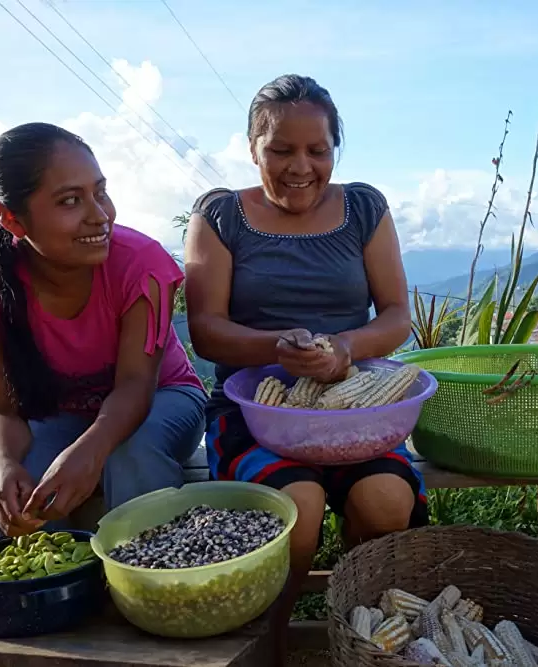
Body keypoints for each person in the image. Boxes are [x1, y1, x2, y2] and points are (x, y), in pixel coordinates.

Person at [183, 74, 426, 663]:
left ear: (334, 149)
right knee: (298, 509)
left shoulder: (364, 209)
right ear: (252, 148)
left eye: (318, 150)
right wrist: (277, 350)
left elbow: (397, 315)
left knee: (388, 502)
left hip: (354, 406)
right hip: (255, 410)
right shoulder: (222, 217)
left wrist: (344, 348)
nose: (301, 166)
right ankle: (270, 634)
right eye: (281, 150)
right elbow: (205, 328)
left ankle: (363, 621)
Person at [0, 122, 207, 538]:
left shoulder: (139, 264)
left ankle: (148, 588)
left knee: (132, 454)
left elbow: (137, 385)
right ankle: (48, 597)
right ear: (11, 218)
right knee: (26, 482)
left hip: (163, 397)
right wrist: (0, 465)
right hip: (63, 416)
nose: (100, 215)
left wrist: (92, 449)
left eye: (100, 192)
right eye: (71, 200)